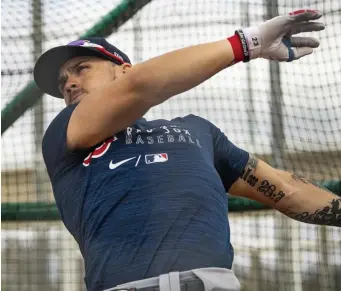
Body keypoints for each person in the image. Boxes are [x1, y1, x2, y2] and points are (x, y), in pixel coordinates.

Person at [33, 9, 340, 291]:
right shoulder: (64, 135)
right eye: (63, 82)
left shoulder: (197, 130)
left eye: (81, 69)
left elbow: (285, 189)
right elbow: (139, 87)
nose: (69, 84)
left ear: (123, 70)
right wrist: (246, 44)